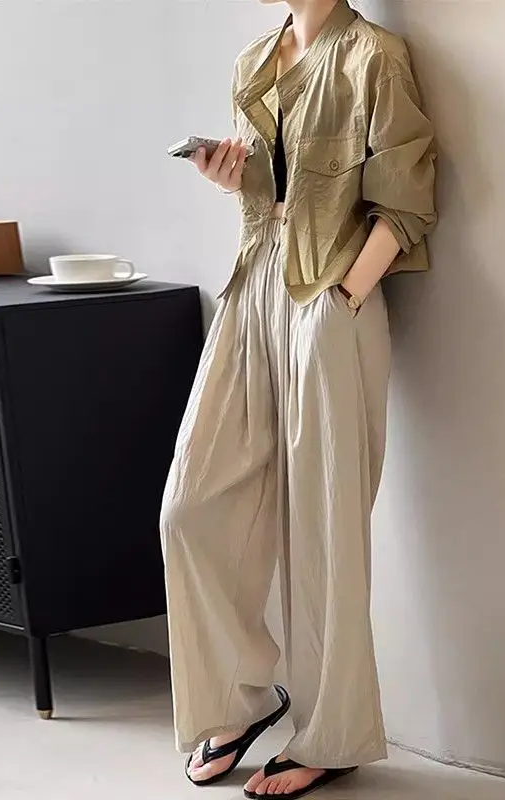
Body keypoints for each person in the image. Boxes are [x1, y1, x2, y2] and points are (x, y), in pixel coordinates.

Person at [160, 1, 436, 797]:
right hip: (254, 279)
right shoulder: (255, 59)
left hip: (330, 293)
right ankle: (238, 700)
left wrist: (346, 296)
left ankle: (332, 734)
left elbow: (408, 196)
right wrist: (228, 175)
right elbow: (274, 187)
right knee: (190, 507)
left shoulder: (374, 56)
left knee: (324, 523)